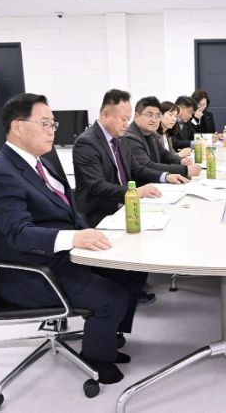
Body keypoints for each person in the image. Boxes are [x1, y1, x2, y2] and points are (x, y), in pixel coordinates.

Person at [0, 93, 134, 385]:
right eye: (45, 124)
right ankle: (96, 359)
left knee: (129, 273)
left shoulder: (40, 162)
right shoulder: (0, 174)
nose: (52, 131)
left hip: (57, 257)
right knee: (112, 297)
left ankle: (106, 337)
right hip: (33, 272)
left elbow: (66, 209)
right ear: (17, 126)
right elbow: (18, 234)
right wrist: (75, 238)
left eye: (53, 124)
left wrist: (97, 232)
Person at [72, 89, 162, 308]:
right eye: (123, 119)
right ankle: (126, 291)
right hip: (99, 211)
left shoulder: (120, 139)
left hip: (122, 204)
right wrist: (134, 193)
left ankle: (134, 286)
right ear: (105, 114)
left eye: (128, 119)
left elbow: (137, 168)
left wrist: (165, 176)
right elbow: (96, 185)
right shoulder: (87, 143)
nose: (126, 124)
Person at [124, 96, 201, 181]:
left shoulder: (152, 133)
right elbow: (148, 166)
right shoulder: (131, 138)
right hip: (141, 186)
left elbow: (164, 154)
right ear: (136, 116)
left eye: (157, 116)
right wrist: (185, 170)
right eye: (149, 115)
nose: (154, 120)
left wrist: (181, 161)